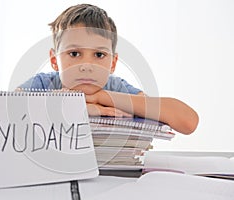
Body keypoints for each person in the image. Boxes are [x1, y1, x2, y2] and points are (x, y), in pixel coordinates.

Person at [18, 4, 199, 135]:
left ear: (112, 63)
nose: (86, 66)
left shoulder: (117, 88)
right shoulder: (42, 84)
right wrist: (79, 106)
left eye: (99, 55)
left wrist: (100, 98)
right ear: (54, 60)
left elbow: (188, 121)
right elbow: (3, 115)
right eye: (74, 53)